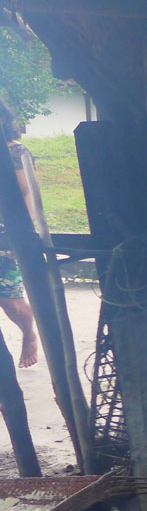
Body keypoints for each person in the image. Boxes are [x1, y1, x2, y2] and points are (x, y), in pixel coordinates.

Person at [0, 101, 42, 367]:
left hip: (7, 233)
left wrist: (22, 234)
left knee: (10, 301)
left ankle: (29, 333)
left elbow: (27, 194)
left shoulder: (16, 152)